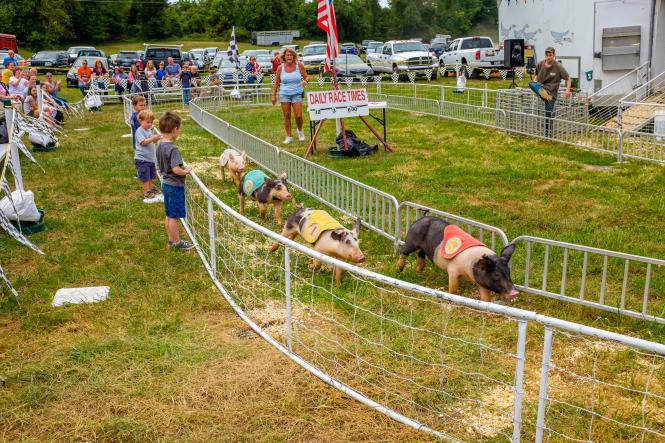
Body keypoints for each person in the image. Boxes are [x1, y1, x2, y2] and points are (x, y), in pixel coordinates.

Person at [155, 111, 194, 250]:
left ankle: (171, 240)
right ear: (175, 129)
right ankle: (177, 243)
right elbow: (176, 169)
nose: (180, 131)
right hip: (174, 185)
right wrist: (186, 171)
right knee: (173, 216)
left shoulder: (159, 144)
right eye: (180, 129)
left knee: (169, 214)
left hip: (165, 182)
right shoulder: (173, 148)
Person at [529, 46, 571, 138]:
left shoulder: (558, 66)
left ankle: (548, 135)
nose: (548, 57)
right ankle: (541, 93)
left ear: (554, 55)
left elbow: (568, 78)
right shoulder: (540, 64)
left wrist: (567, 90)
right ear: (545, 56)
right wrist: (534, 83)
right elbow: (536, 76)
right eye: (547, 55)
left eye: (550, 55)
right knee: (531, 83)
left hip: (551, 93)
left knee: (549, 114)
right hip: (541, 88)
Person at [271, 48, 308, 144]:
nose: (289, 57)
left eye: (291, 55)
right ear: (284, 57)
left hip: (297, 93)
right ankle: (289, 136)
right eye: (287, 55)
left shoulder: (299, 65)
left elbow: (306, 77)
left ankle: (300, 131)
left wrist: (305, 81)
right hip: (284, 94)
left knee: (298, 115)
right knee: (287, 115)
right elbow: (276, 83)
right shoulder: (280, 68)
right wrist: (273, 96)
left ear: (294, 56)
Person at [134, 110, 163, 200]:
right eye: (147, 122)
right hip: (142, 159)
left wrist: (156, 139)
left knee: (150, 176)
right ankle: (147, 192)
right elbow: (143, 142)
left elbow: (151, 140)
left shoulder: (148, 130)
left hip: (149, 158)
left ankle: (150, 189)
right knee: (146, 177)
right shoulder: (139, 131)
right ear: (140, 121)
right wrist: (153, 138)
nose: (150, 124)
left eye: (151, 122)